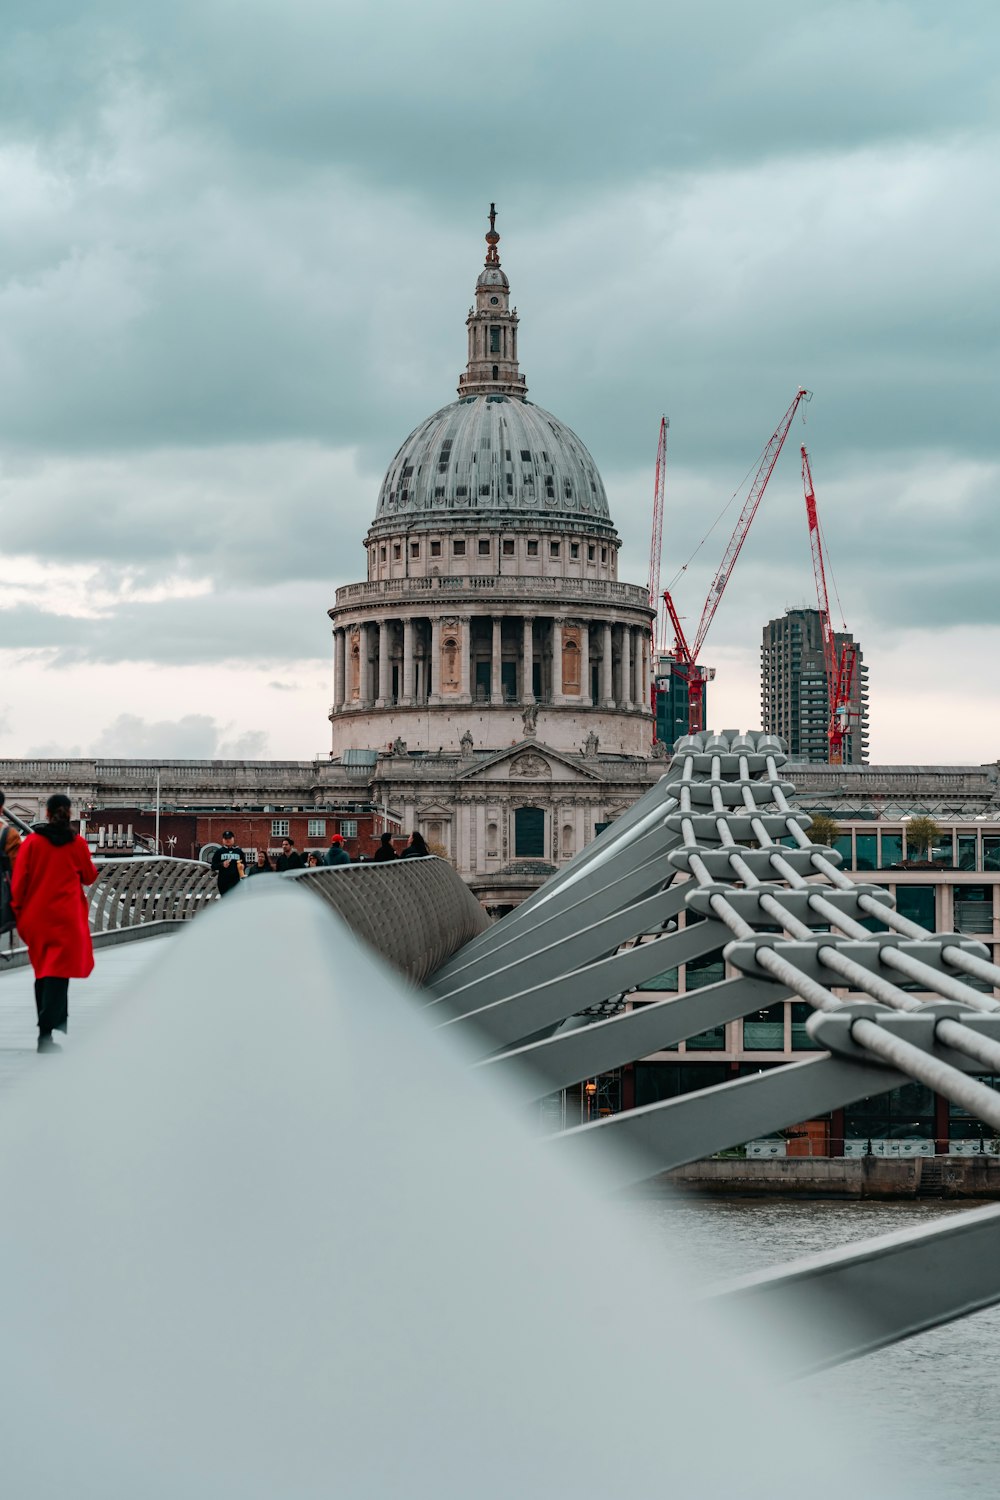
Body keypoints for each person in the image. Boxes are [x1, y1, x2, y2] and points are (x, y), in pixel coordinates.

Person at [10, 792, 99, 1052]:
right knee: (58, 972)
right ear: (68, 813)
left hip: (36, 918)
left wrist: (18, 912)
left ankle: (46, 1031)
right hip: (66, 918)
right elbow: (90, 877)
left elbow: (19, 882)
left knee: (43, 971)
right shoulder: (77, 844)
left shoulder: (32, 843)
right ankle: (46, 1032)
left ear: (46, 813)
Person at [210, 830, 245, 896]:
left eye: (229, 838)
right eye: (226, 838)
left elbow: (244, 863)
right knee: (226, 900)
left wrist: (243, 866)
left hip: (236, 881)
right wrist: (222, 864)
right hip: (223, 881)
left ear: (233, 839)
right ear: (223, 840)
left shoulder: (239, 851)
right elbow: (213, 866)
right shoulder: (219, 851)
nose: (228, 840)